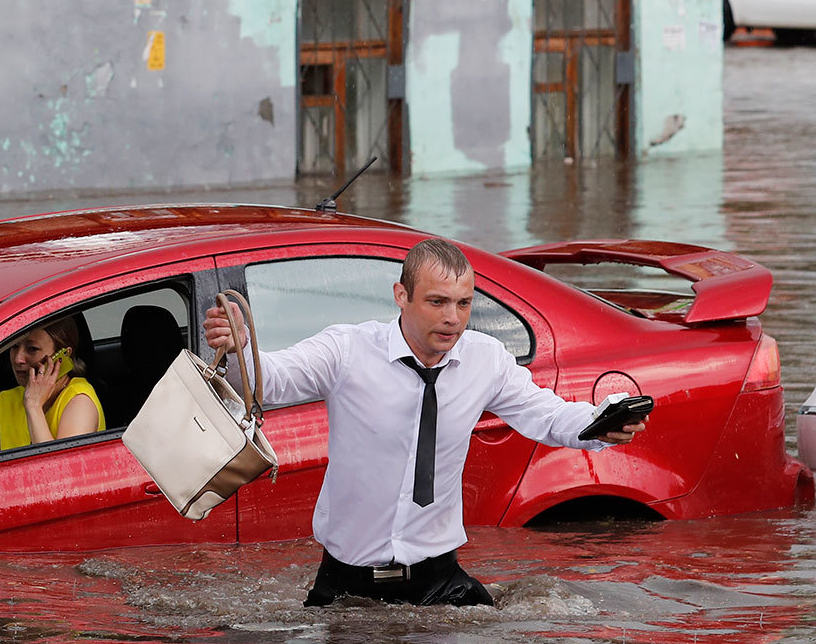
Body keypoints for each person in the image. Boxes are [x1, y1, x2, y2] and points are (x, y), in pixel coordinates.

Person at [203, 237, 647, 608]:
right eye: (437, 302)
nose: (452, 318)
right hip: (345, 586)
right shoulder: (348, 351)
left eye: (463, 303)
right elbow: (270, 382)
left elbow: (546, 414)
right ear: (401, 296)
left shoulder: (484, 359)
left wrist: (598, 424)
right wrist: (241, 346)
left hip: (440, 582)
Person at [0, 317, 105, 455]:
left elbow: (58, 471)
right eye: (14, 346)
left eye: (32, 349)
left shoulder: (79, 400)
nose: (18, 359)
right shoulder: (5, 401)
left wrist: (33, 405)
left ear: (61, 356)